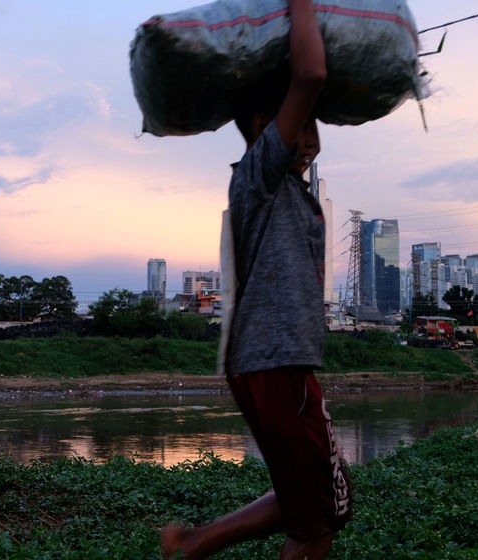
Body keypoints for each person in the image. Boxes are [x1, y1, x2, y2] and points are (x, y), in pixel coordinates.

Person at [160, 1, 351, 558]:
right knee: (317, 523)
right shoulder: (261, 170)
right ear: (269, 127)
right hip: (275, 362)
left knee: (323, 496)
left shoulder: (280, 185)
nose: (313, 136)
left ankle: (196, 542)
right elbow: (310, 74)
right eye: (305, 120)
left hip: (273, 362)